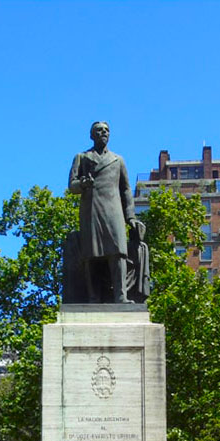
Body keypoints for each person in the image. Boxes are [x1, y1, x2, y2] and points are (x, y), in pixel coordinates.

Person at [68, 121, 144, 304]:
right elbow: (72, 186)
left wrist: (130, 216)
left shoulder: (118, 160)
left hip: (114, 210)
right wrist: (83, 184)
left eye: (106, 130)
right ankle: (93, 297)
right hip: (91, 210)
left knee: (118, 252)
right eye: (98, 130)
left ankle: (121, 295)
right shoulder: (82, 157)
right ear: (91, 135)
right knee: (91, 254)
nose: (103, 133)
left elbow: (125, 189)